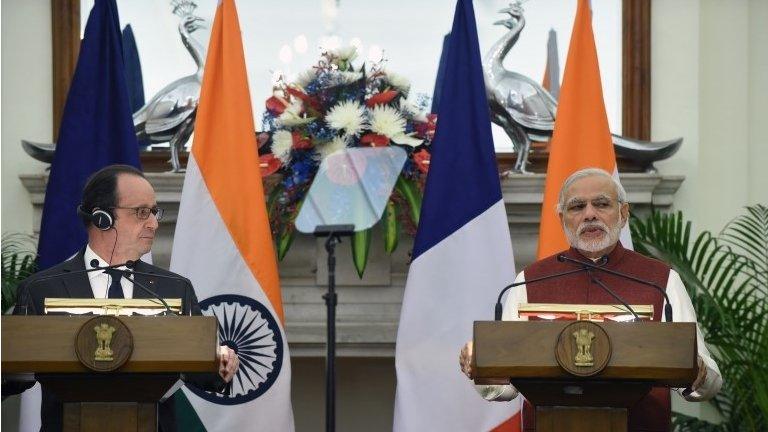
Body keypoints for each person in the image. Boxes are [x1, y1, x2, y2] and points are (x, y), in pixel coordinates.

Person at [459, 167, 722, 432]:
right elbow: (503, 386)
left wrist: (697, 372)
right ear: (562, 218)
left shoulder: (661, 280)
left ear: (623, 213)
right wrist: (480, 367)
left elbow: (707, 376)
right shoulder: (529, 280)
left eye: (601, 204)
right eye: (576, 207)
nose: (589, 214)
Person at [11, 164, 240, 431]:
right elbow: (14, 376)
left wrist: (221, 365)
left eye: (154, 212)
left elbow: (203, 374)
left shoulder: (174, 289)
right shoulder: (42, 288)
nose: (154, 223)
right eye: (142, 212)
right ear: (102, 218)